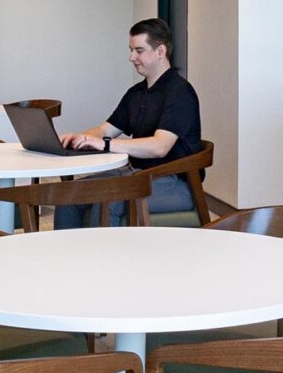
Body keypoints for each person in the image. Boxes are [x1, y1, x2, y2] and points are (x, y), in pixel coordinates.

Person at [54, 18, 202, 228]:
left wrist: (105, 144)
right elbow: (105, 129)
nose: (132, 57)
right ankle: (67, 260)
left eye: (139, 50)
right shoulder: (136, 93)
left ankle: (104, 260)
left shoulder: (180, 93)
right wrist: (79, 138)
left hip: (175, 183)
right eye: (131, 50)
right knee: (68, 195)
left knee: (108, 201)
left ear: (160, 51)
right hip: (136, 174)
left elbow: (160, 147)